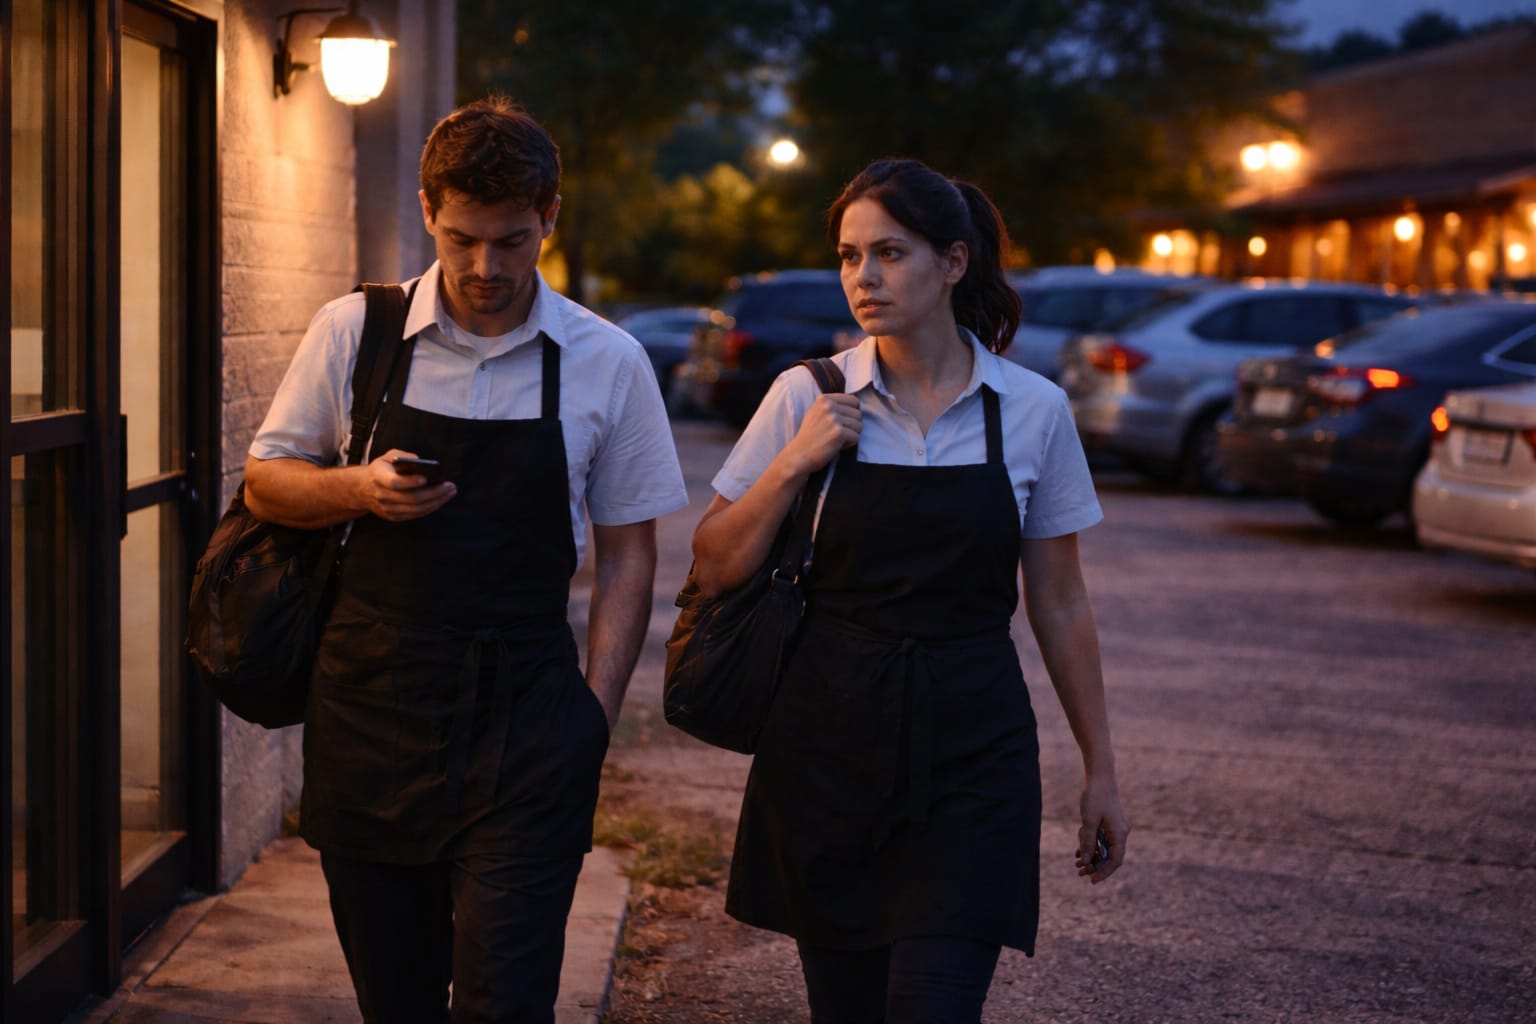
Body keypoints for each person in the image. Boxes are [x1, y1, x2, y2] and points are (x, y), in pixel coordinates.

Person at [243, 98, 687, 1024]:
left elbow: (629, 556)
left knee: (507, 999)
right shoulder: (354, 333)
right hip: (372, 707)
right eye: (462, 239)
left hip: (528, 716)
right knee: (395, 998)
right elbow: (266, 483)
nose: (486, 267)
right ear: (426, 210)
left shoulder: (609, 361)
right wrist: (357, 490)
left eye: (513, 241)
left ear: (550, 218)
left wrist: (591, 719)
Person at [690, 158, 1130, 1022]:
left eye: (889, 253)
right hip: (826, 748)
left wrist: (1101, 769)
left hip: (975, 750)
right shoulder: (805, 396)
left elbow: (1061, 601)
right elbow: (713, 564)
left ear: (954, 263)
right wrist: (795, 461)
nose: (864, 277)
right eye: (850, 256)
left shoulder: (1031, 411)